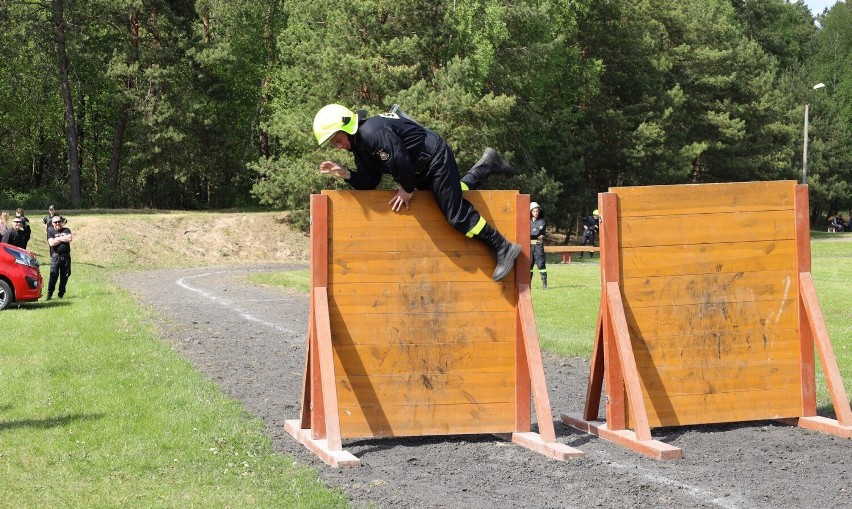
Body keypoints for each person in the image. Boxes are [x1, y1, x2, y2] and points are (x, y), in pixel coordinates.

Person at [312, 103, 520, 281]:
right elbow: (370, 181)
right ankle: (487, 164)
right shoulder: (360, 146)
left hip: (434, 158)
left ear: (346, 126)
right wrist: (346, 174)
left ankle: (502, 246)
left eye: (338, 140)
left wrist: (407, 189)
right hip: (421, 167)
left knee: (456, 215)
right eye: (335, 144)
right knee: (450, 195)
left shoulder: (372, 134)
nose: (339, 147)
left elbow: (400, 160)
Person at [46, 215, 73, 300]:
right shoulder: (50, 231)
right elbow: (51, 243)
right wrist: (62, 238)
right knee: (53, 275)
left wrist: (57, 238)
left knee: (65, 276)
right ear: (52, 223)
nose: (58, 223)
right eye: (55, 222)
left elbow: (70, 238)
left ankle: (61, 294)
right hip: (56, 257)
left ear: (61, 222)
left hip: (66, 257)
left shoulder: (66, 230)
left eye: (59, 221)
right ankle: (49, 294)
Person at [529, 202, 547, 289]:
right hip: (529, 247)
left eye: (537, 211)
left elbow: (537, 232)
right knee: (529, 265)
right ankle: (528, 285)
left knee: (541, 265)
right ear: (531, 212)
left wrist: (531, 232)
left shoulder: (542, 221)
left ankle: (544, 284)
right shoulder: (527, 221)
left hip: (538, 246)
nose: (536, 213)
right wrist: (534, 232)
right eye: (534, 211)